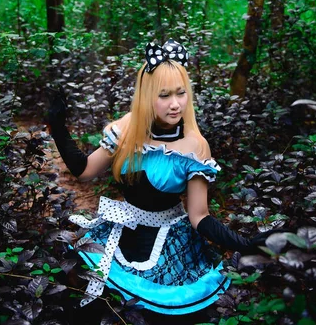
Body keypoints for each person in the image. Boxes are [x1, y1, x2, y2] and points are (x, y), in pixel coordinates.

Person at [48, 39, 267, 316]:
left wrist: (244, 244)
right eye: (164, 95)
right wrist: (57, 126)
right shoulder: (128, 127)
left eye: (181, 93)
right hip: (121, 232)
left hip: (169, 244)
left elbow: (199, 216)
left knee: (162, 314)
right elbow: (85, 171)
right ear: (147, 96)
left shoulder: (195, 146)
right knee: (85, 298)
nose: (175, 105)